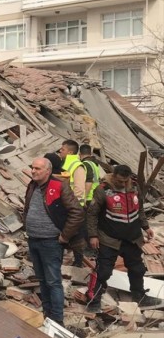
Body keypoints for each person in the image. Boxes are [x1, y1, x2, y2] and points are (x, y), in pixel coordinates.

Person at [87, 165, 163, 312]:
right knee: (104, 271)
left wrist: (146, 227)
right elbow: (92, 214)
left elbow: (139, 209)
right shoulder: (103, 189)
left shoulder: (134, 187)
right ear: (114, 176)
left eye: (125, 181)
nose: (123, 184)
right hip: (109, 238)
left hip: (132, 237)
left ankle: (139, 297)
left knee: (137, 269)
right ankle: (94, 300)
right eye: (120, 181)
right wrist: (93, 235)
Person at [23, 157, 84, 324]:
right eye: (32, 167)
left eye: (38, 169)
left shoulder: (58, 186)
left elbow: (77, 212)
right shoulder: (32, 185)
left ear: (48, 171)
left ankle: (57, 320)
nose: (33, 171)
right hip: (34, 239)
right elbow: (27, 208)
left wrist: (65, 235)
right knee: (42, 280)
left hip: (50, 242)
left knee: (53, 281)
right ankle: (47, 314)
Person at [59, 139, 87, 207]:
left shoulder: (78, 166)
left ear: (70, 152)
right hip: (66, 203)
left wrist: (70, 204)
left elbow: (79, 189)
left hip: (73, 206)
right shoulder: (66, 164)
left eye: (63, 149)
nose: (60, 151)